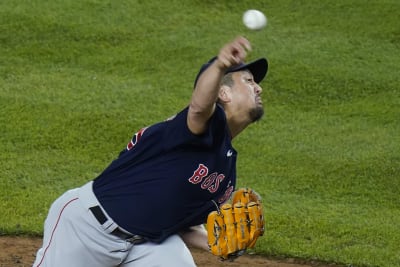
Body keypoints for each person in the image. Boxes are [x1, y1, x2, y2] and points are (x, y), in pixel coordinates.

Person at [33, 36, 268, 267]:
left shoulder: (226, 170)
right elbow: (198, 107)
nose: (258, 88)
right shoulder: (195, 127)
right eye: (248, 81)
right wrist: (220, 65)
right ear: (222, 93)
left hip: (144, 244)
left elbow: (183, 224)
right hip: (87, 228)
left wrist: (219, 242)